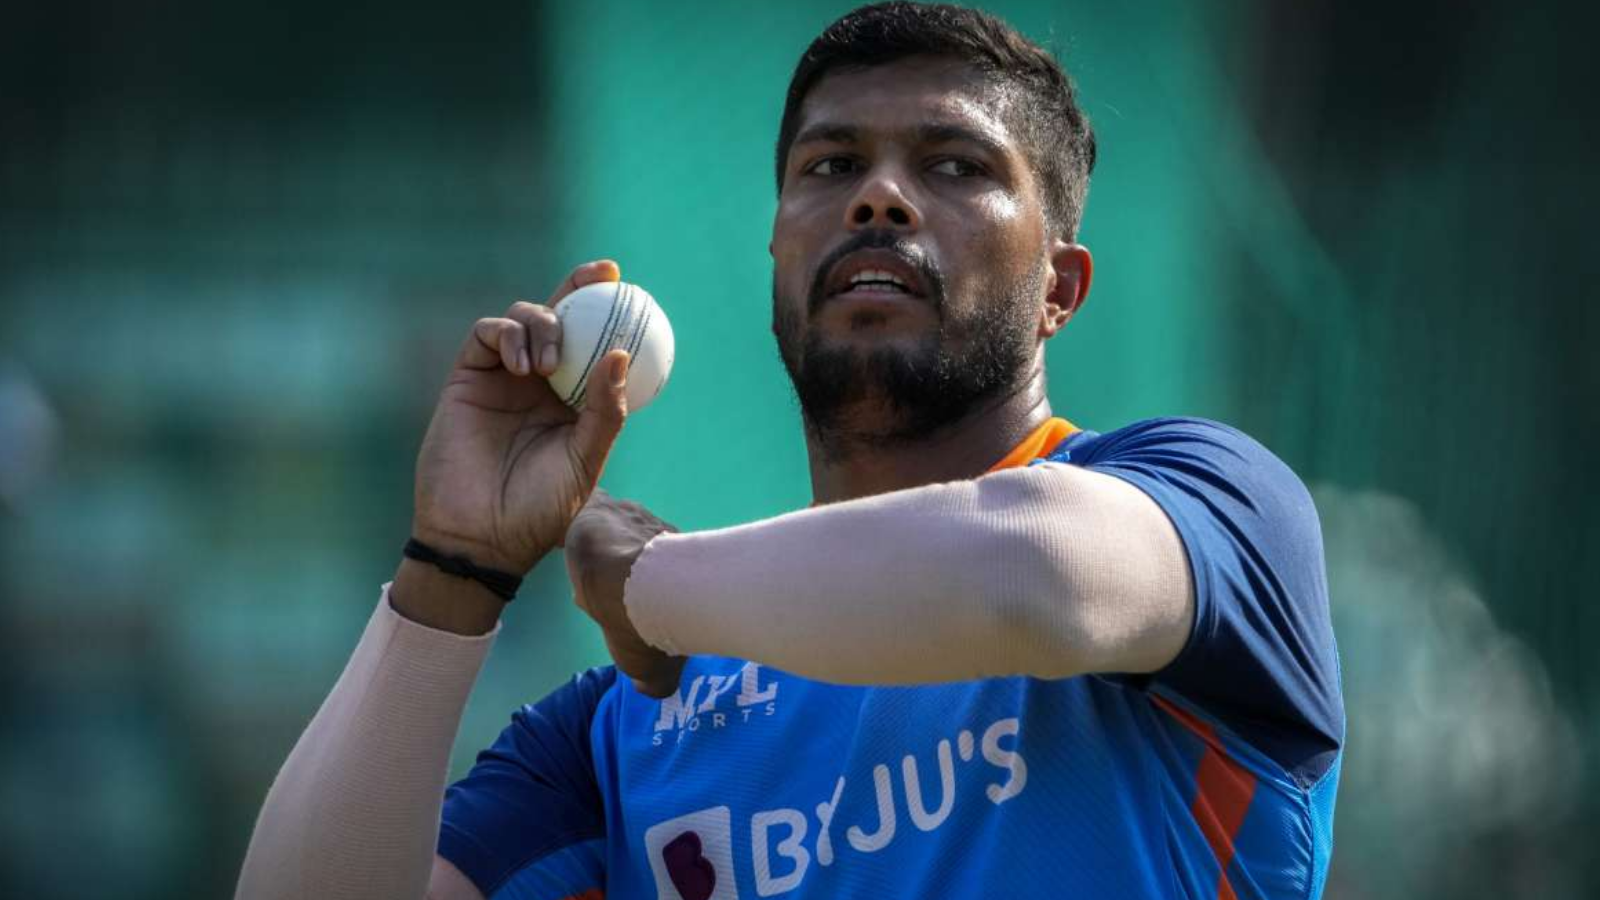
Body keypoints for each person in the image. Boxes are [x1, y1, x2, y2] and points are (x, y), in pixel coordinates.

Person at [236, 3, 1343, 898]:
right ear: (777, 250)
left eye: (955, 165)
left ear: (1059, 285)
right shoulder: (629, 721)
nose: (876, 195)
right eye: (829, 166)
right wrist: (454, 572)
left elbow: (1031, 575)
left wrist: (646, 584)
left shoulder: (1211, 507)